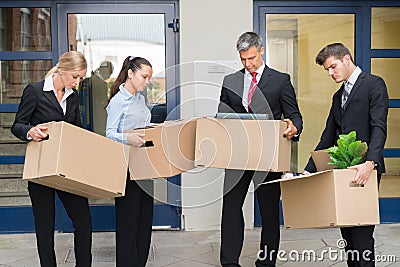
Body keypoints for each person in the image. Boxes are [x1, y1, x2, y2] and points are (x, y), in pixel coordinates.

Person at [218, 31, 303, 266]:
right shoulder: (230, 81)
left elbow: (294, 115)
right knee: (231, 209)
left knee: (268, 212)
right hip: (237, 155)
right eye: (243, 59)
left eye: (252, 58)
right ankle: (229, 262)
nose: (248, 64)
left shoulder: (280, 80)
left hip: (269, 156)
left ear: (262, 50)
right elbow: (222, 116)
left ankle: (266, 262)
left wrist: (294, 127)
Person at [304, 43, 388, 267]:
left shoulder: (373, 84)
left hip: (364, 171)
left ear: (347, 59)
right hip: (342, 171)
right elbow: (327, 137)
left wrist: (371, 163)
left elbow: (379, 127)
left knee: (361, 235)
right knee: (347, 235)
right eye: (327, 70)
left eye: (333, 67)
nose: (330, 73)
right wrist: (306, 171)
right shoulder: (337, 96)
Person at [11, 51, 92, 267]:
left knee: (84, 222)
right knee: (45, 228)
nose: (78, 82)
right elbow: (17, 125)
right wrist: (31, 131)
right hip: (41, 169)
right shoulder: (35, 91)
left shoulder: (72, 96)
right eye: (75, 76)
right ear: (62, 70)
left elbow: (76, 129)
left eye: (81, 78)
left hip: (68, 168)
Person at [105, 56, 154, 267]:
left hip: (144, 164)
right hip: (125, 166)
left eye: (149, 77)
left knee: (144, 221)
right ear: (131, 74)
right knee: (128, 222)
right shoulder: (118, 101)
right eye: (144, 76)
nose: (146, 81)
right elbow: (108, 134)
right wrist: (128, 138)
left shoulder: (140, 99)